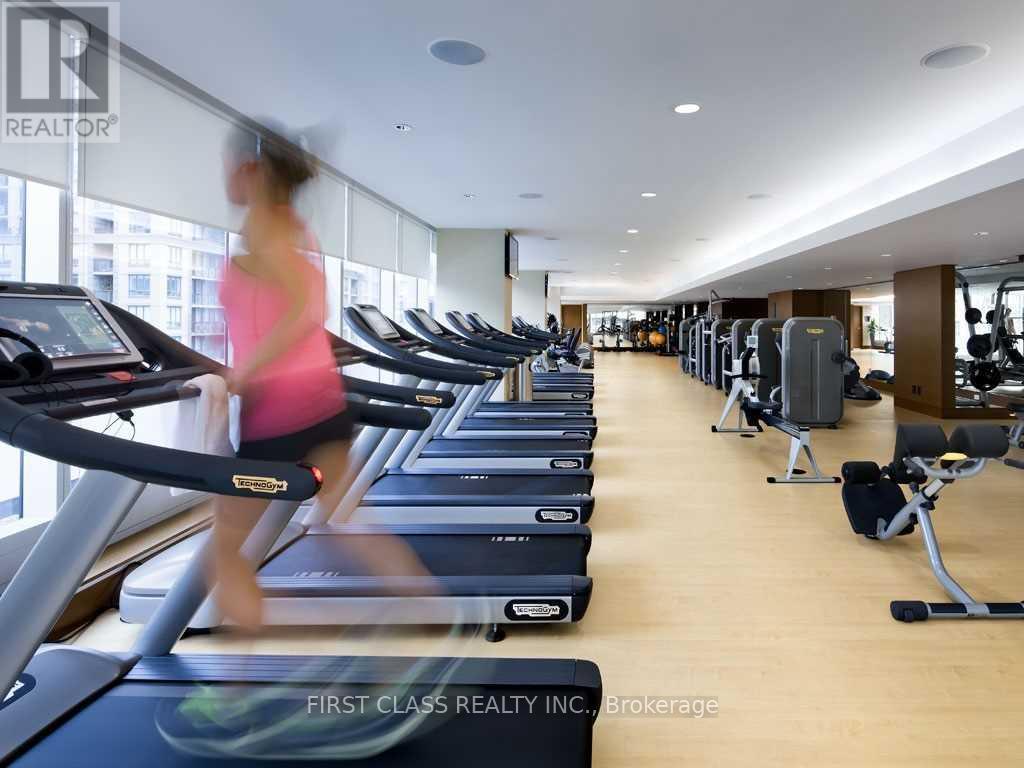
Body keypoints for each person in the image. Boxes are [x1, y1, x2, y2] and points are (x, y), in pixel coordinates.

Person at [212, 126, 426, 630]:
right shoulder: (292, 225)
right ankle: (428, 609)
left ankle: (245, 671)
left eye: (229, 165)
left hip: (277, 412)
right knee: (350, 521)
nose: (224, 177)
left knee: (223, 551)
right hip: (322, 402)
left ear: (251, 170)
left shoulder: (264, 227)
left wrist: (245, 371)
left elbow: (303, 308)